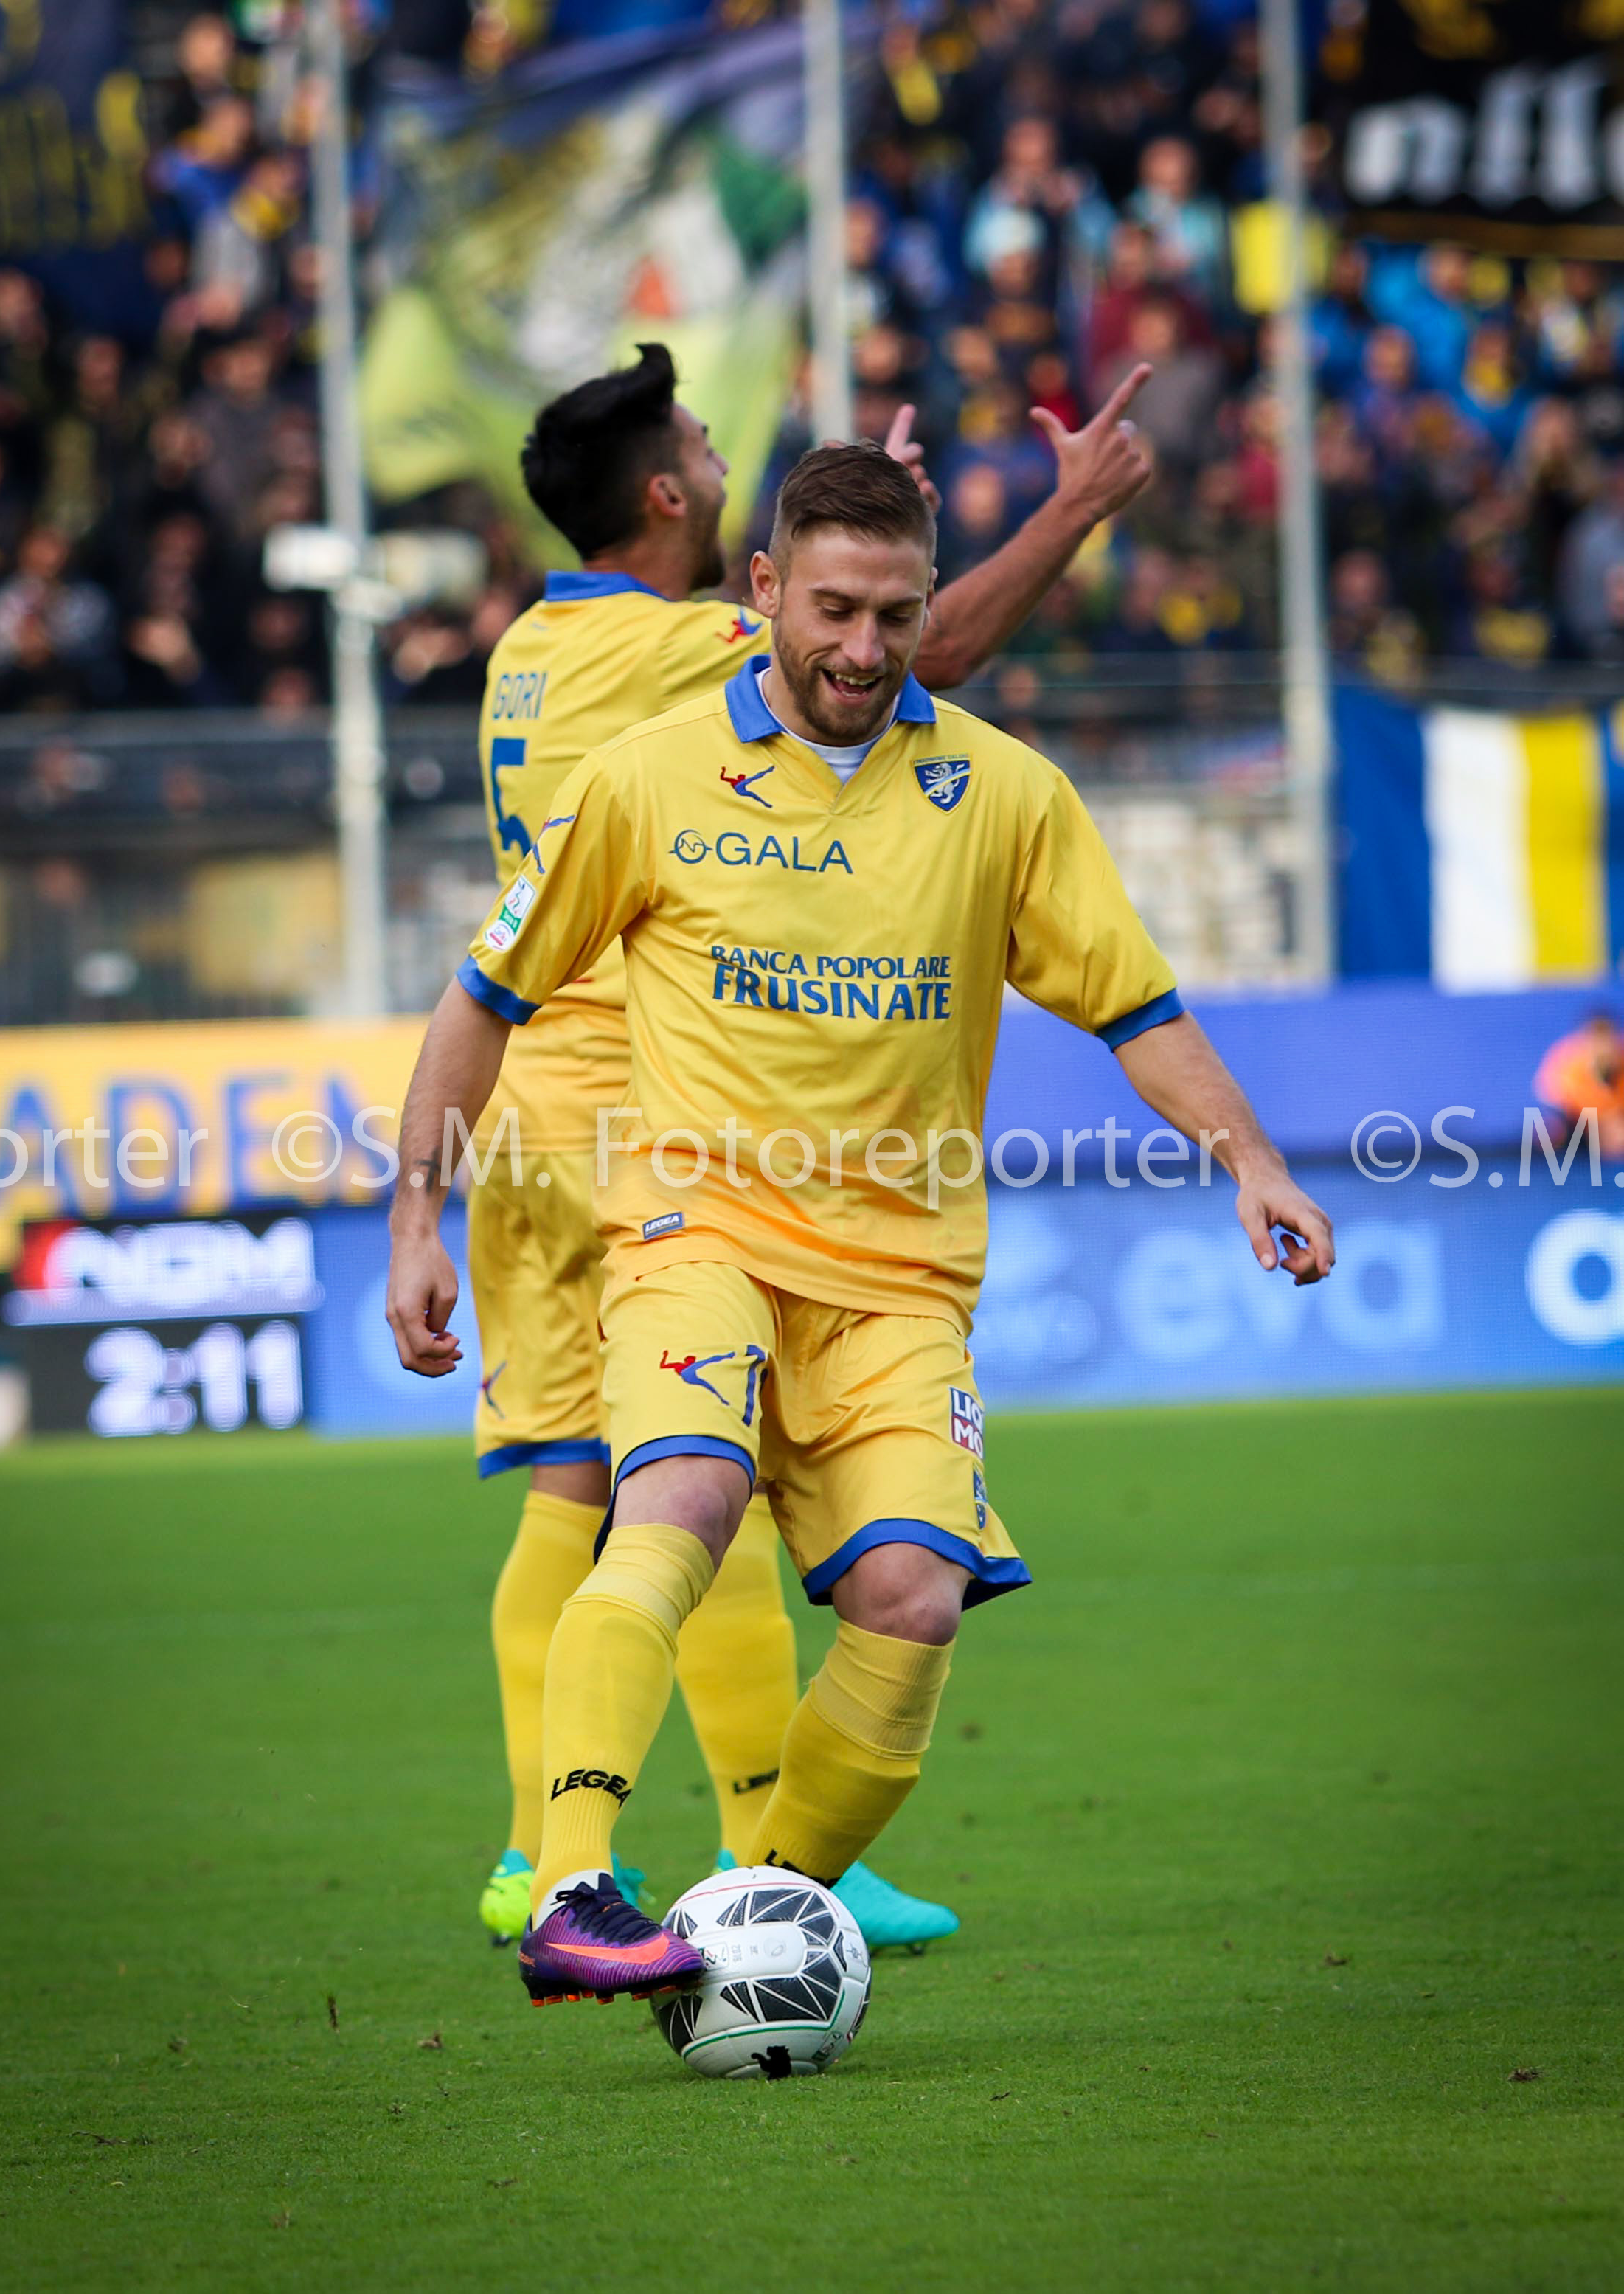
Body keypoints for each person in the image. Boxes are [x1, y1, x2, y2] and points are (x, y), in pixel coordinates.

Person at [386, 441, 1334, 2006]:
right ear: (763, 587)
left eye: (894, 616)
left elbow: (1135, 1006)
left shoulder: (1001, 793)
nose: (860, 647)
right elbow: (483, 996)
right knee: (676, 1503)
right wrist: (416, 1216)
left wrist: (1250, 1160)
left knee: (911, 1598)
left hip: (899, 1282)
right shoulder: (647, 777)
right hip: (694, 1234)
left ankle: (749, 1910)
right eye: (830, 609)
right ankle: (568, 1886)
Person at [1534, 1013, 1624, 1159]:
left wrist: (1616, 1121)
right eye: (1597, 1042)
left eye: (1607, 1042)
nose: (1603, 1050)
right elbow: (1551, 1097)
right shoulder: (1568, 1065)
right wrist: (1599, 1124)